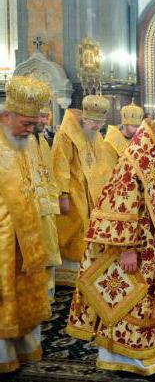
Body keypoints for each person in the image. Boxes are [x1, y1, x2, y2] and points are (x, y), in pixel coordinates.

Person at [66, 106, 155, 377]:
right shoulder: (138, 157)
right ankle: (130, 360)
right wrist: (126, 249)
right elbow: (117, 202)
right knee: (132, 301)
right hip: (134, 249)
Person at [0, 76, 52, 373]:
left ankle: (22, 351)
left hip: (26, 236)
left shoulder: (22, 142)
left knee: (24, 295)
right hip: (3, 239)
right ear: (6, 116)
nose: (32, 130)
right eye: (26, 124)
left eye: (34, 124)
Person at [52, 94, 111, 286]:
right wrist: (63, 195)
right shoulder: (66, 135)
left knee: (90, 229)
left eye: (100, 122)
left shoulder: (94, 135)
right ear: (85, 119)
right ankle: (70, 273)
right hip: (74, 192)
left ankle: (88, 268)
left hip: (92, 192)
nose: (98, 127)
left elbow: (102, 163)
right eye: (94, 122)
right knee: (75, 229)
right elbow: (59, 164)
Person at [26, 95, 62, 298]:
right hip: (31, 212)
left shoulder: (43, 142)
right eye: (38, 116)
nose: (42, 120)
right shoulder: (20, 143)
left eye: (45, 116)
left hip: (47, 209)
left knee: (48, 251)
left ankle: (46, 297)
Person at [104, 101, 144, 170]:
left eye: (139, 126)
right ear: (125, 124)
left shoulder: (137, 138)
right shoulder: (111, 141)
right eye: (134, 126)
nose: (137, 130)